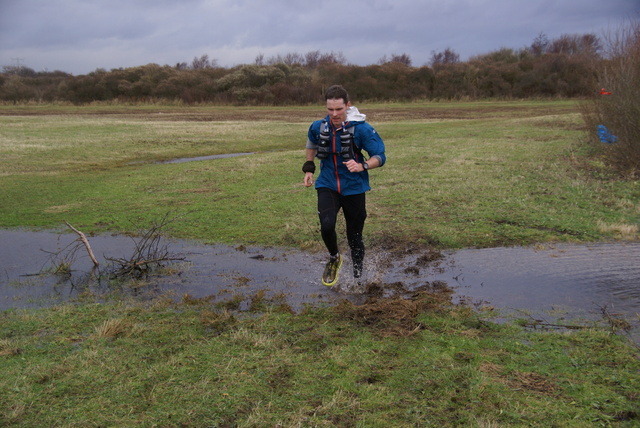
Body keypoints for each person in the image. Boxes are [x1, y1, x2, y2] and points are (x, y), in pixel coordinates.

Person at [302, 85, 386, 286]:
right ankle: (334, 258)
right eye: (330, 109)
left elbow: (380, 156)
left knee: (355, 237)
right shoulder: (319, 126)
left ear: (347, 106)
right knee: (327, 224)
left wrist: (362, 165)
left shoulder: (362, 129)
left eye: (338, 109)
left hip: (354, 187)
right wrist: (309, 168)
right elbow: (311, 143)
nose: (334, 114)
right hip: (328, 184)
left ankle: (358, 278)